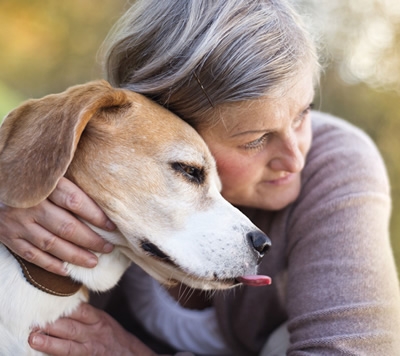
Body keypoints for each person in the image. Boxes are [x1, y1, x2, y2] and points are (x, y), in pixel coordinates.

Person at [1, 0, 400, 354]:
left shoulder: (334, 165)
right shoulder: (117, 140)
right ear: (171, 121)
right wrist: (12, 188)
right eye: (255, 140)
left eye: (302, 114)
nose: (295, 158)